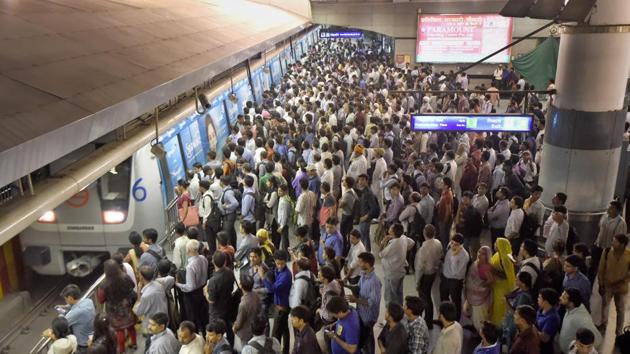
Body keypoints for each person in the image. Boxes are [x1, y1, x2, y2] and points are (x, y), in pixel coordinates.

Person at [97, 259, 137, 353]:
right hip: (126, 305)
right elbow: (132, 285)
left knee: (119, 330)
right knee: (130, 326)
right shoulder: (125, 276)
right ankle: (134, 343)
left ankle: (122, 350)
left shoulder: (104, 284)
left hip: (113, 310)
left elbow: (101, 300)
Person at [346, 252, 381, 354]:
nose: (358, 264)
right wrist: (345, 285)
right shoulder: (363, 275)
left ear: (367, 264)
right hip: (361, 312)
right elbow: (358, 287)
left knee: (368, 339)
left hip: (368, 317)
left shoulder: (374, 282)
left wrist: (355, 300)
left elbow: (373, 302)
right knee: (363, 336)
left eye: (360, 262)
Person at [597, 233, 630, 335]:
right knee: (605, 306)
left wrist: (623, 281)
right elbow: (601, 269)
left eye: (615, 241)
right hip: (607, 286)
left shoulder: (629, 254)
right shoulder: (606, 252)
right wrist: (601, 284)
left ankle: (619, 332)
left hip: (621, 287)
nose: (612, 243)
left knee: (620, 310)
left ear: (622, 244)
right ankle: (603, 325)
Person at [47, 284, 95, 354]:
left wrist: (50, 334)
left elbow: (62, 324)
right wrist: (66, 306)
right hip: (92, 337)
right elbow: (77, 305)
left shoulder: (74, 313)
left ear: (70, 298)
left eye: (65, 299)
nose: (65, 300)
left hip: (83, 345)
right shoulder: (89, 301)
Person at [262, 250, 292, 354]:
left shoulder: (286, 275)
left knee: (276, 335)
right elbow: (274, 271)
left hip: (282, 308)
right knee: (284, 329)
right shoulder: (278, 270)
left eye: (282, 263)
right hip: (279, 305)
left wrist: (263, 278)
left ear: (286, 261)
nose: (280, 266)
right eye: (278, 263)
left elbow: (272, 289)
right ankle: (286, 350)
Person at [176, 239, 209, 333]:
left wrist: (178, 284)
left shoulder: (190, 267)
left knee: (193, 318)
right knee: (204, 317)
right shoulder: (203, 258)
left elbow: (190, 287)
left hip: (193, 295)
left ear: (189, 251)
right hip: (203, 290)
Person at [205, 252, 236, 345]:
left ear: (213, 262)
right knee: (229, 329)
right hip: (228, 306)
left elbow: (211, 300)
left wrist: (205, 292)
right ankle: (230, 346)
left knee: (215, 333)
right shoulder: (229, 271)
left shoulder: (213, 281)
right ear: (225, 261)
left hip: (216, 312)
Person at [414, 224, 442, 329]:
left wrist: (417, 282)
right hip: (433, 273)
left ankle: (428, 321)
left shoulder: (423, 249)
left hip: (425, 276)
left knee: (425, 298)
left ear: (424, 234)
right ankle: (428, 318)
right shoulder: (438, 243)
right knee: (428, 296)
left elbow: (419, 268)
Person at [559, 289, 602, 353]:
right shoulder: (570, 308)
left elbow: (597, 339)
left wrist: (583, 350)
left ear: (571, 303)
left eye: (563, 297)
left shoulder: (581, 318)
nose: (560, 298)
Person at [440, 233, 469, 321]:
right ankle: (444, 317)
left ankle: (456, 320)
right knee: (443, 297)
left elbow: (456, 272)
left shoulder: (464, 256)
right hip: (445, 278)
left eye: (455, 244)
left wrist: (454, 257)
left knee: (455, 301)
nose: (452, 245)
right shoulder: (450, 247)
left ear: (461, 245)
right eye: (452, 243)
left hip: (455, 281)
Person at [502, 272, 534, 351]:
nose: (515, 280)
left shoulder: (523, 297)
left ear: (523, 283)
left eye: (517, 279)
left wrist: (506, 302)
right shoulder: (519, 290)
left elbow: (517, 313)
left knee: (511, 343)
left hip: (513, 324)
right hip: (510, 321)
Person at [464, 246, 493, 331]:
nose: (479, 254)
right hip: (473, 294)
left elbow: (491, 280)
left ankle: (481, 332)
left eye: (483, 254)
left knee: (480, 316)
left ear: (487, 256)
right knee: (471, 312)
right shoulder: (476, 263)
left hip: (481, 296)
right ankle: (475, 328)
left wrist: (480, 286)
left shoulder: (485, 267)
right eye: (479, 252)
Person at [136, 265, 168, 339]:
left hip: (153, 326)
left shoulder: (145, 295)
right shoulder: (159, 286)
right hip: (163, 318)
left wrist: (138, 293)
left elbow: (139, 312)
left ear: (142, 277)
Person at [379, 223, 408, 305]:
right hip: (400, 270)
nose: (389, 228)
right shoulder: (403, 238)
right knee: (398, 294)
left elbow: (381, 254)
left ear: (393, 232)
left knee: (390, 297)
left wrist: (383, 242)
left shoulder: (394, 244)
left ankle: (392, 314)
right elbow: (411, 242)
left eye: (391, 228)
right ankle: (399, 311)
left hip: (392, 273)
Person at [489, 238, 516, 326]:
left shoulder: (505, 259)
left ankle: (498, 325)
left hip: (502, 287)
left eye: (496, 244)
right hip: (496, 284)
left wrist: (493, 270)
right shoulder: (500, 254)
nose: (494, 245)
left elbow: (506, 275)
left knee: (499, 307)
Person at [233, 273, 262, 348]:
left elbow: (239, 323)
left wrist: (234, 327)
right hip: (255, 329)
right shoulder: (256, 295)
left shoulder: (243, 304)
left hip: (246, 334)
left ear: (241, 286)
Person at [535, 288, 561, 354]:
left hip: (544, 349)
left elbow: (545, 338)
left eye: (539, 298)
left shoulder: (552, 318)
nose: (537, 299)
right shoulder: (541, 309)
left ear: (545, 302)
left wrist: (530, 327)